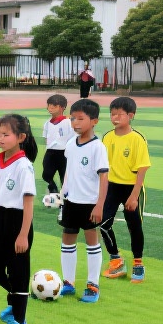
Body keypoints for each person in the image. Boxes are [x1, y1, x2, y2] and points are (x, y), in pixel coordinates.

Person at [0, 114, 38, 324]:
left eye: (6, 134)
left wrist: (23, 235)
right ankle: (16, 297)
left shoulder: (24, 166)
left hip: (17, 222)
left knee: (18, 272)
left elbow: (28, 202)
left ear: (21, 137)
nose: (0, 138)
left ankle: (20, 322)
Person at [59, 98, 109, 303]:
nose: (75, 123)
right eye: (73, 118)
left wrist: (99, 205)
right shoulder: (71, 143)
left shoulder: (98, 147)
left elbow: (104, 177)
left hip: (90, 202)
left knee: (91, 241)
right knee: (67, 239)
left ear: (94, 121)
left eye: (81, 118)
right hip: (71, 201)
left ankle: (92, 285)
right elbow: (69, 172)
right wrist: (63, 195)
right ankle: (68, 283)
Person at [97, 97, 152, 283]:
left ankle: (138, 263)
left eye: (119, 114)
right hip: (112, 186)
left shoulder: (137, 138)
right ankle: (116, 260)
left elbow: (142, 168)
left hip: (132, 187)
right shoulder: (107, 137)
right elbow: (104, 166)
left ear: (131, 115)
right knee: (103, 223)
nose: (115, 117)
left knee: (134, 226)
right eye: (112, 114)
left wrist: (135, 196)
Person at [41, 94, 74, 196]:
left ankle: (64, 199)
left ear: (62, 107)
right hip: (51, 152)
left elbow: (73, 138)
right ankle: (53, 188)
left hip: (64, 153)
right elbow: (46, 137)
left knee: (64, 177)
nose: (50, 108)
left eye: (53, 106)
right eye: (49, 106)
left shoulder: (68, 122)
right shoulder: (47, 123)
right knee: (46, 175)